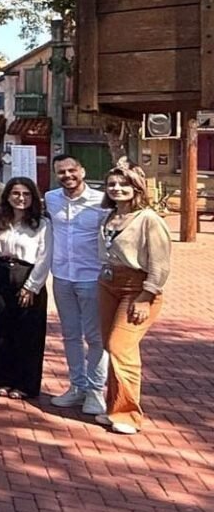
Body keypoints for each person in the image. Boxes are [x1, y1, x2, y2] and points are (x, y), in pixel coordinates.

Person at [20, 154, 108, 416]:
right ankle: (77, 386)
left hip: (92, 276)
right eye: (61, 172)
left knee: (95, 337)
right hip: (62, 276)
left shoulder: (101, 201)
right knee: (70, 335)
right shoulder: (51, 198)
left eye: (72, 170)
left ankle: (95, 390)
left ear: (82, 171)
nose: (67, 176)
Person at [94, 163, 172, 436]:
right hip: (108, 284)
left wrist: (146, 295)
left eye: (123, 184)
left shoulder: (148, 219)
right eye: (112, 184)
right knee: (110, 346)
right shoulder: (110, 216)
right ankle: (113, 408)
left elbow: (160, 264)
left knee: (121, 347)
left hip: (136, 288)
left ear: (137, 188)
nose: (117, 189)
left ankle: (128, 414)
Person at [0, 178, 49, 399]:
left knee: (28, 332)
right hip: (0, 273)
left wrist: (31, 286)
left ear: (33, 197)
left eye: (26, 194)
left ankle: (25, 384)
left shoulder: (41, 224)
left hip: (28, 275)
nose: (21, 198)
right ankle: (2, 378)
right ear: (7, 196)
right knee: (1, 328)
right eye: (15, 193)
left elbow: (45, 257)